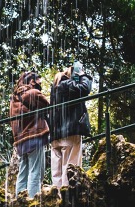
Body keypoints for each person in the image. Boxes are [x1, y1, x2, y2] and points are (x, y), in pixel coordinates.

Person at [48, 61, 93, 190]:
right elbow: (85, 89)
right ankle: (68, 201)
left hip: (56, 136)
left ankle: (56, 200)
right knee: (70, 169)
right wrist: (83, 74)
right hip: (70, 133)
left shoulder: (55, 87)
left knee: (57, 173)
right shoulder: (68, 84)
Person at [8, 70, 50, 198]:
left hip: (20, 141)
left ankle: (20, 203)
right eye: (38, 82)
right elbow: (48, 105)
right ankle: (33, 204)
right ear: (32, 81)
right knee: (35, 172)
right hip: (34, 136)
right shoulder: (32, 93)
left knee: (23, 172)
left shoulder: (13, 99)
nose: (40, 85)